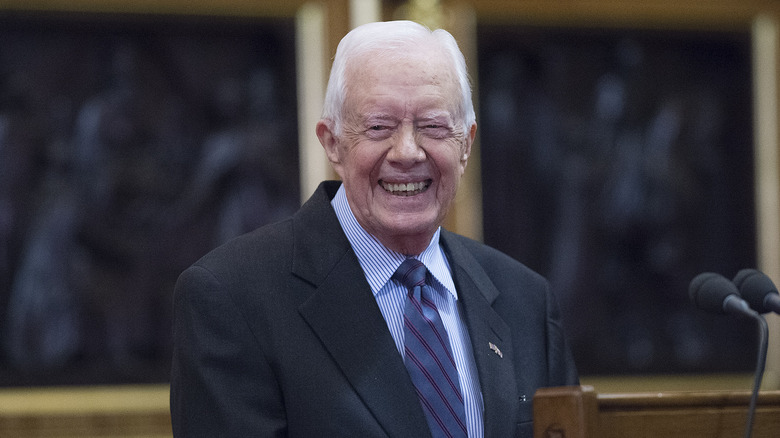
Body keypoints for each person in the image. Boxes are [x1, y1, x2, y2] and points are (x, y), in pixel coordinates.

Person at [170, 20, 578, 438]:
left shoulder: (526, 301)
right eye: (379, 127)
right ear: (332, 143)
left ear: (466, 144)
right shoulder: (231, 298)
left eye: (433, 126)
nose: (407, 152)